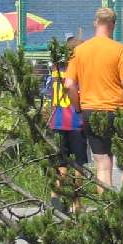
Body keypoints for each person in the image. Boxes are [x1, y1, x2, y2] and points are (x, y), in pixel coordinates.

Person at [64, 7, 123, 188]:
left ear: (95, 22)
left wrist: (78, 107)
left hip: (91, 111)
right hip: (118, 111)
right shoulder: (120, 50)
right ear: (113, 25)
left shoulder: (80, 51)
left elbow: (68, 85)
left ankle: (107, 210)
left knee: (103, 165)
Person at [45, 34, 86, 182]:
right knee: (79, 163)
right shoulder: (78, 71)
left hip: (56, 120)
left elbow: (48, 90)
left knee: (60, 162)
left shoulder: (55, 70)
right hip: (75, 122)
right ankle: (77, 201)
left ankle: (56, 196)